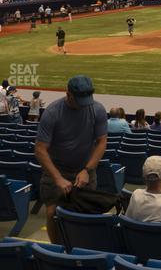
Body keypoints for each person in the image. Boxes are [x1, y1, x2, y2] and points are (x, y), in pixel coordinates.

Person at [34, 75, 108, 244]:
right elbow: (40, 149)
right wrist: (57, 177)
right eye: (79, 100)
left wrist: (87, 170)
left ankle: (83, 248)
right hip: (57, 169)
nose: (84, 105)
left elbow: (102, 142)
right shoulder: (53, 112)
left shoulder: (97, 109)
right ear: (68, 95)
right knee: (52, 213)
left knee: (87, 214)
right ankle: (57, 249)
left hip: (85, 169)